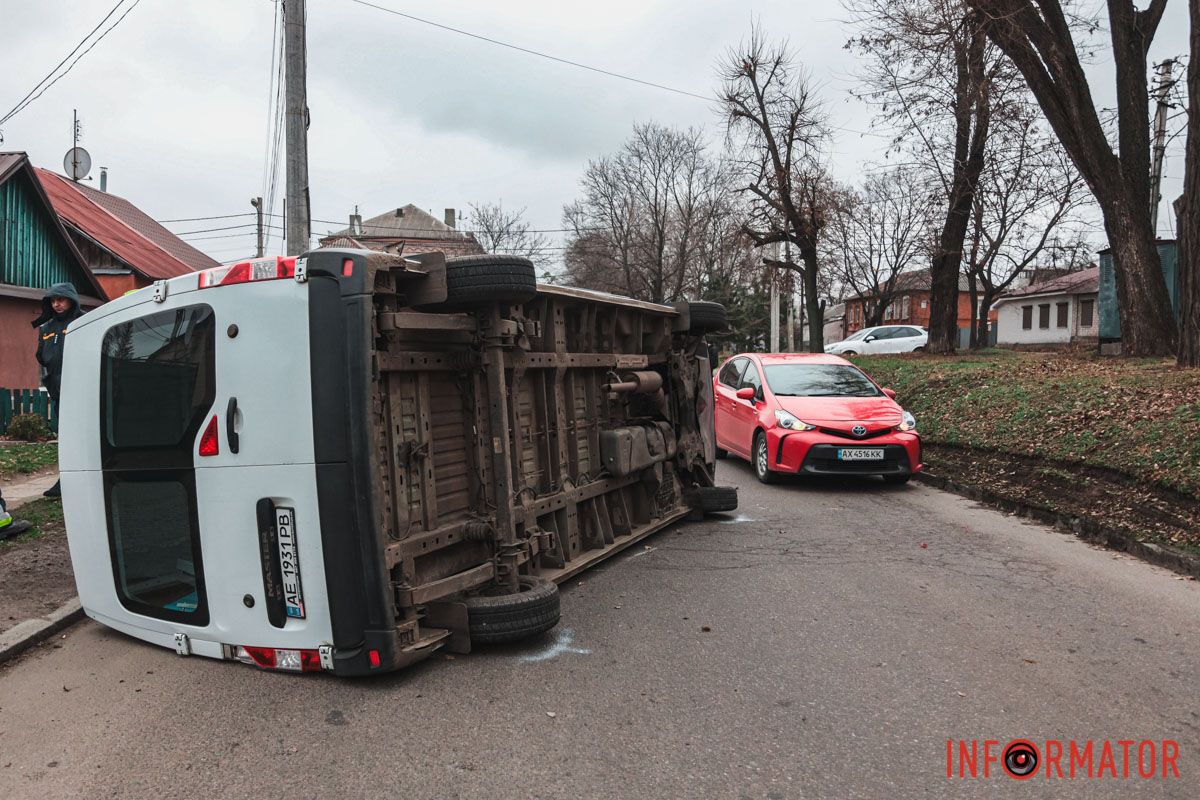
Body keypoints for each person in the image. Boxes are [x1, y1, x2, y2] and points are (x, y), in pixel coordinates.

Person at [31, 283, 83, 498]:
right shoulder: (46, 328)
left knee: (81, 437)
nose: (57, 304)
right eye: (53, 301)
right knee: (66, 437)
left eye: (61, 299)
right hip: (58, 390)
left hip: (81, 389)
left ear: (71, 299)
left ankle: (81, 479)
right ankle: (66, 479)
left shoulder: (83, 321)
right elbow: (41, 356)